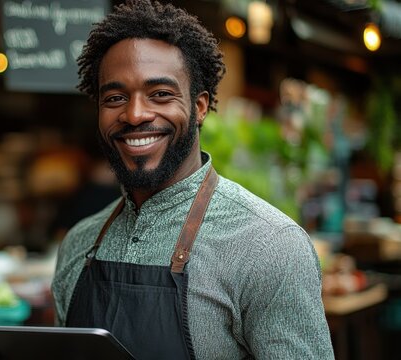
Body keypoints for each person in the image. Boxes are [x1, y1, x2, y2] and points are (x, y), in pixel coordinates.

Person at [51, 1, 335, 359]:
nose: (135, 114)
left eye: (160, 94)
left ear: (199, 107)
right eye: (116, 97)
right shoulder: (79, 243)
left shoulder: (269, 247)